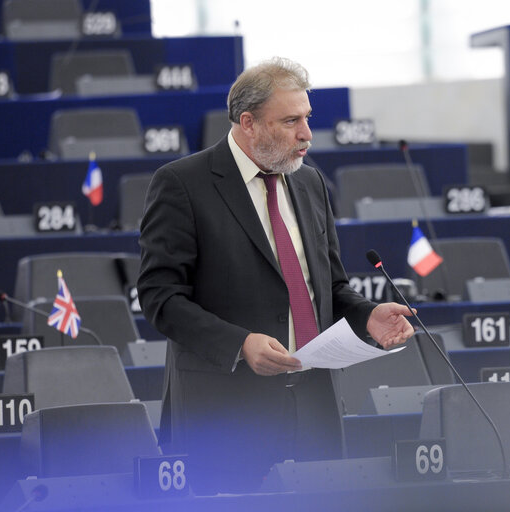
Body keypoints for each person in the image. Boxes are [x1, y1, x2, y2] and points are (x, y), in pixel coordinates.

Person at [137, 56, 415, 494]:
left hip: (314, 408)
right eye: (290, 121)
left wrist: (366, 316)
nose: (306, 134)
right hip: (225, 412)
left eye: (307, 118)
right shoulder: (182, 183)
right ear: (248, 123)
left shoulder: (310, 183)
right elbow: (160, 297)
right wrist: (239, 343)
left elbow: (331, 287)